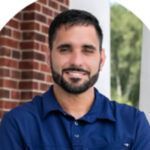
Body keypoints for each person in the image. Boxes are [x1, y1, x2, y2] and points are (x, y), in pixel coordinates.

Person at [0, 9, 150, 150]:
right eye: (65, 49)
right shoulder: (17, 124)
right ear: (49, 57)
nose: (77, 61)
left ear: (102, 59)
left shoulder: (134, 123)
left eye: (87, 50)